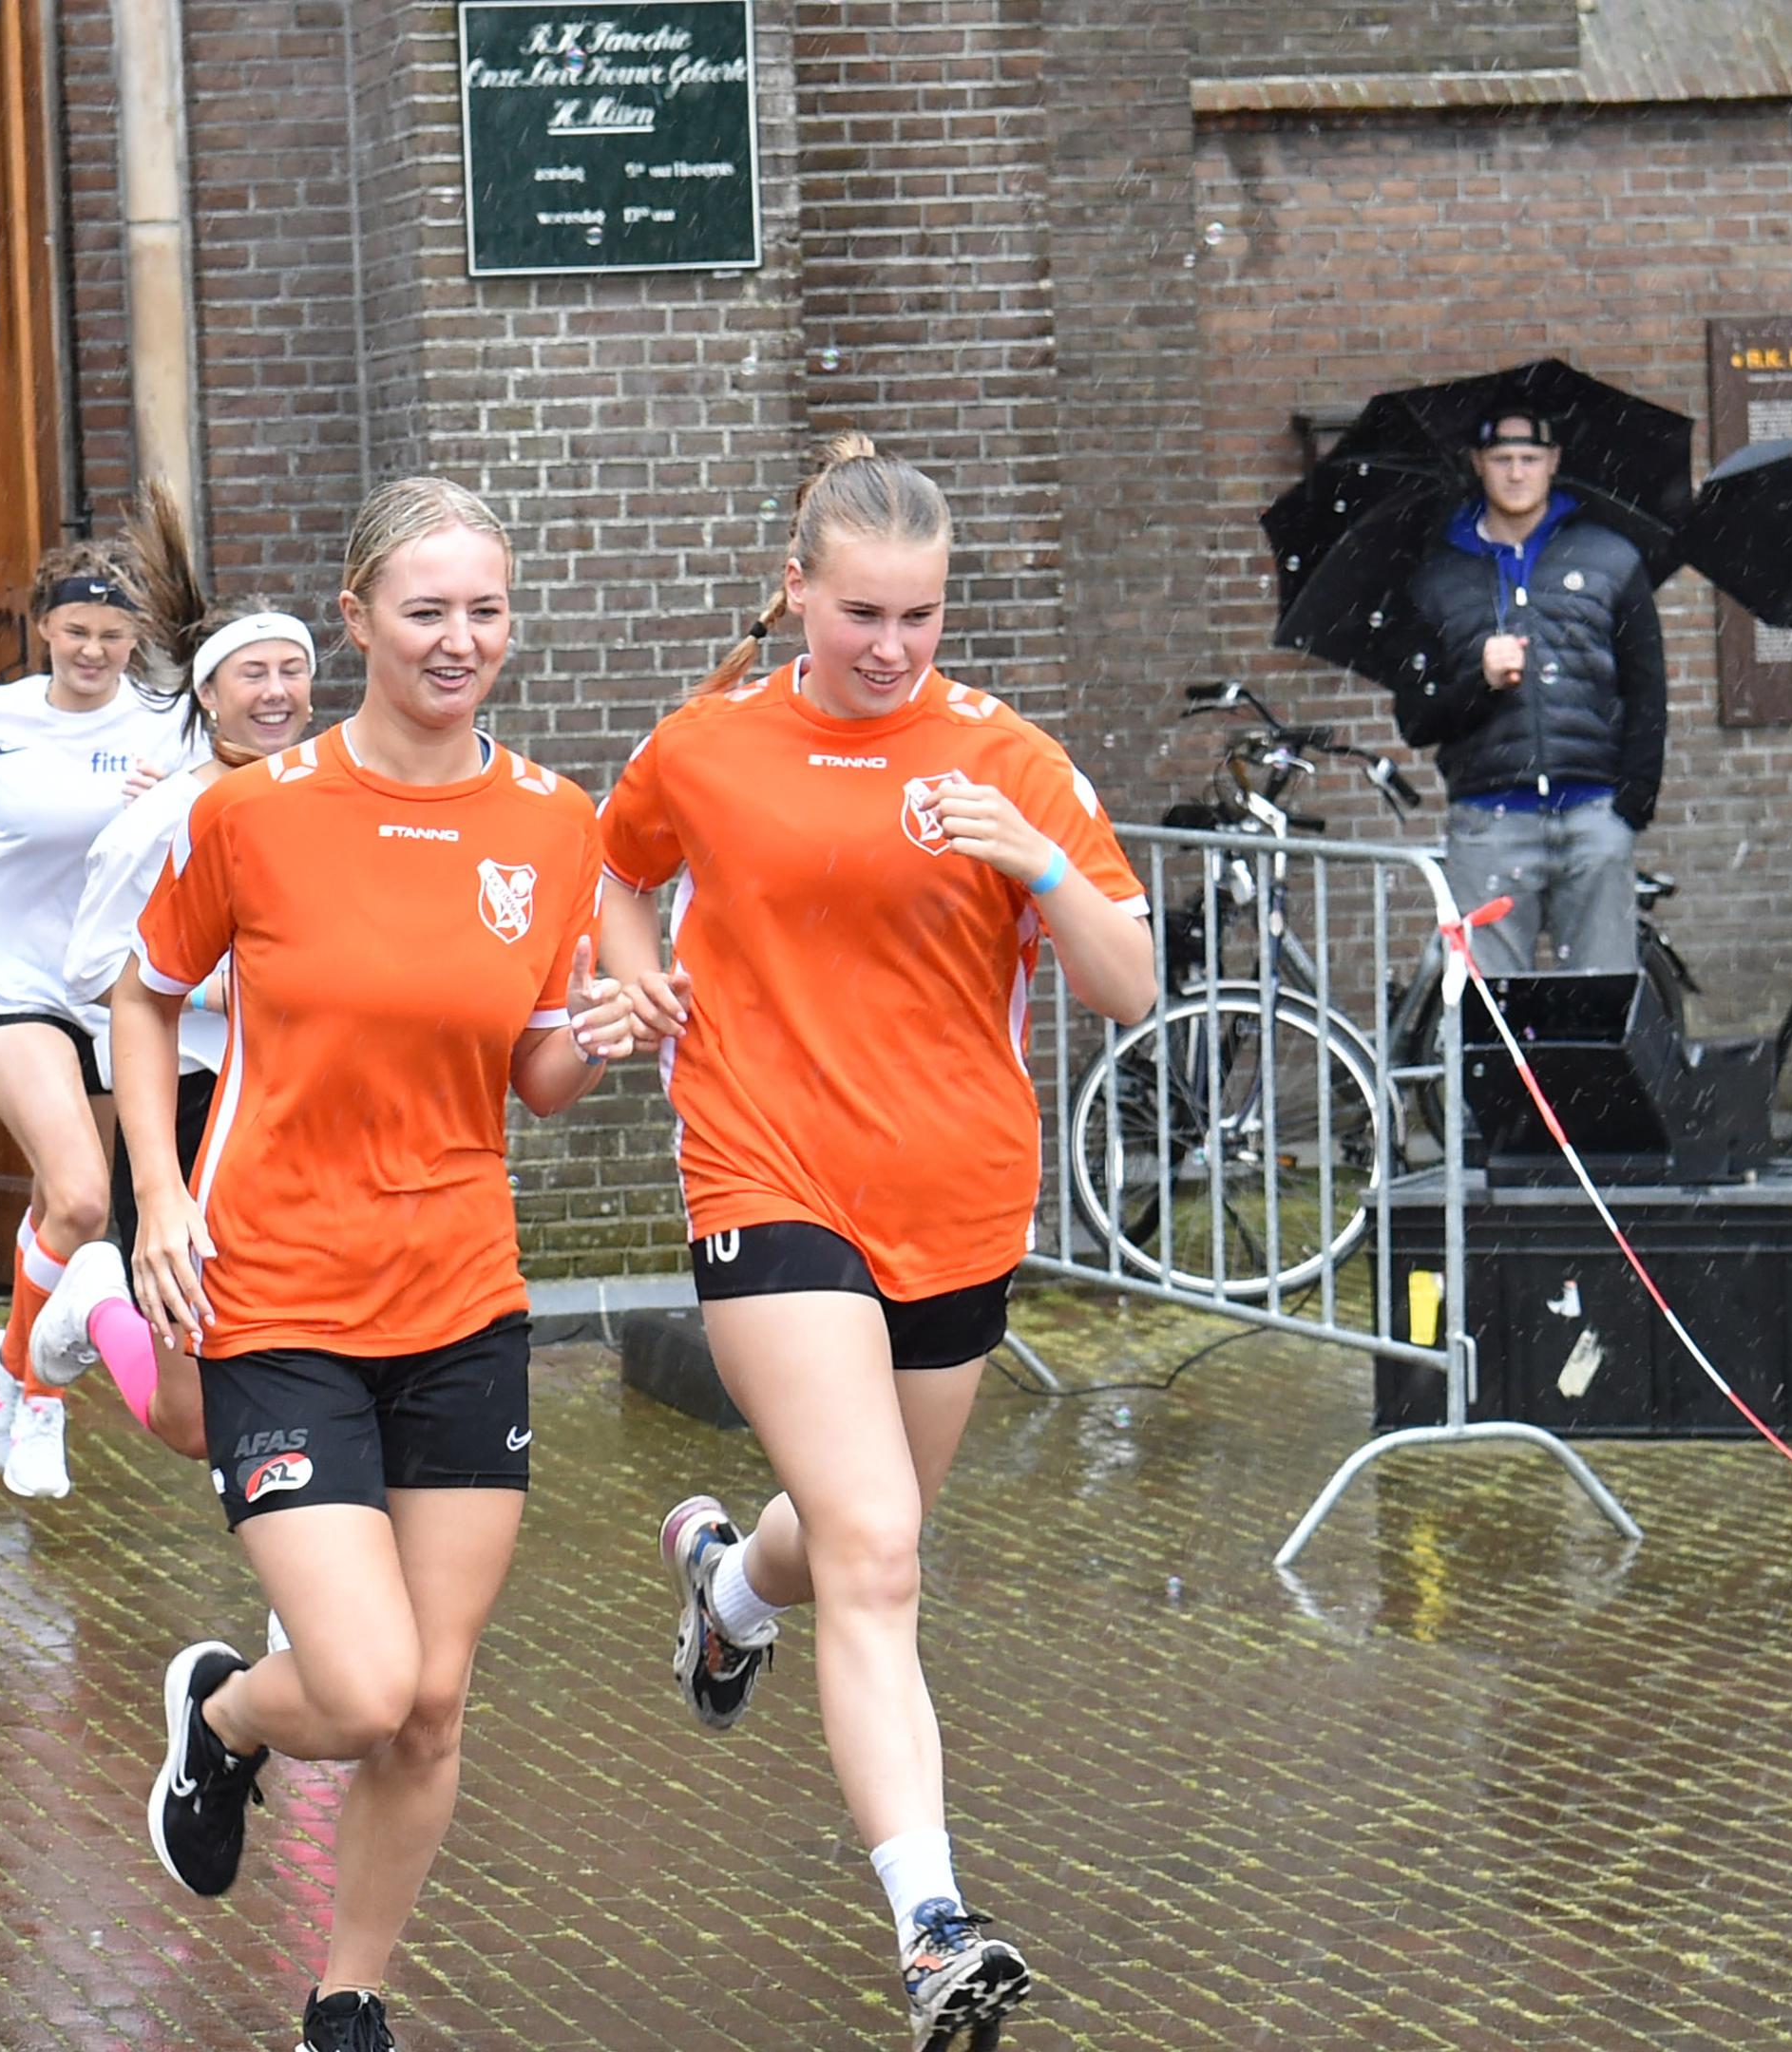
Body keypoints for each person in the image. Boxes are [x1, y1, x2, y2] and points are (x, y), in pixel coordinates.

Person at [596, 437, 1153, 2052]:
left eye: (919, 614)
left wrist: (1035, 861)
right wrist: (640, 987)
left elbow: (1130, 987)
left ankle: (724, 1590)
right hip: (764, 1172)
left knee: (855, 1531)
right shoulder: (706, 745)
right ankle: (932, 1927)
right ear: (796, 593)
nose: (893, 647)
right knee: (883, 1551)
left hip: (957, 1196)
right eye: (860, 613)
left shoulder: (1008, 756)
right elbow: (616, 873)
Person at [124, 478, 638, 2052]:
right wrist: (157, 1198)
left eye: (485, 610)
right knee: (353, 1685)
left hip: (464, 1305)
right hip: (276, 1295)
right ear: (355, 621)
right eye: (425, 611)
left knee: (431, 1703)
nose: (458, 640)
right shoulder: (256, 811)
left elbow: (533, 1069)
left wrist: (601, 1040)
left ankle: (349, 1999)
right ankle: (225, 1715)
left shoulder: (554, 823)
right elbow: (144, 998)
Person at [0, 515, 200, 1500]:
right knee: (80, 1197)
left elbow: (236, 794)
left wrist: (183, 792)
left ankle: (8, 1363)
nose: (93, 651)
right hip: (13, 986)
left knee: (52, 1208)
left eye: (112, 637)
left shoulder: (165, 720)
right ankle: (36, 1396)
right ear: (44, 630)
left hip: (117, 993)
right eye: (76, 632)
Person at [40, 523, 315, 1462]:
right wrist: (217, 994)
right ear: (207, 695)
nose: (277, 692)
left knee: (313, 1354)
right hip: (191, 1109)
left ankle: (308, 1591)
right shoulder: (165, 817)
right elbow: (86, 972)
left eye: (292, 671)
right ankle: (98, 1300)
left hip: (302, 1109)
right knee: (189, 1422)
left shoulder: (337, 802)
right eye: (253, 675)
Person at [1399, 408, 1668, 977]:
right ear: (1478, 464)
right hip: (1490, 823)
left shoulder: (1610, 559)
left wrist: (1630, 807)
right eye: (1502, 459)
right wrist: (1481, 683)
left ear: (1553, 464)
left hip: (1595, 816)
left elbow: (1647, 688)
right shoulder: (1438, 578)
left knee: (1601, 1004)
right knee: (1491, 1014)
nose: (1516, 473)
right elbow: (1417, 719)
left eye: (1529, 459)